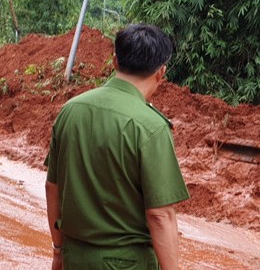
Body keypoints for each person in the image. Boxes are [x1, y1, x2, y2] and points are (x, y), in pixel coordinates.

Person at [45, 24, 190, 270]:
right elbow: (160, 215)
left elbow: (52, 188)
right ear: (161, 72)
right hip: (127, 263)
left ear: (114, 61)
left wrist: (59, 251)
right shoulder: (150, 126)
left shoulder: (71, 110)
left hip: (75, 258)